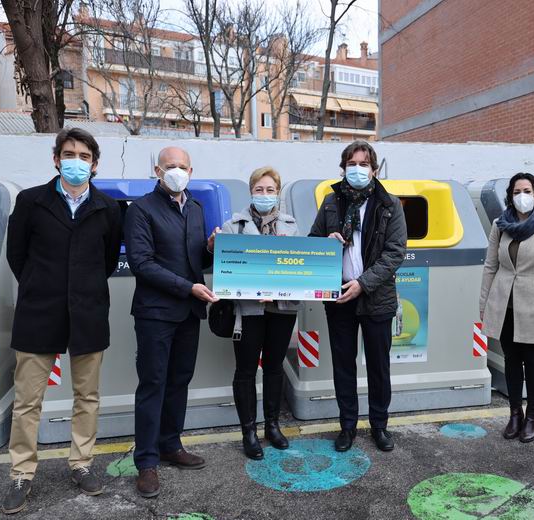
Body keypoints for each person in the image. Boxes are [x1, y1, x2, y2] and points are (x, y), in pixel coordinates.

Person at [2, 128, 122, 514]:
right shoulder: (31, 201)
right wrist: (41, 287)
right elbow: (16, 256)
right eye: (69, 154)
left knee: (87, 396)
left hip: (87, 313)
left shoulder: (107, 207)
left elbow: (105, 263)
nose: (76, 161)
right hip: (39, 313)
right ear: (56, 159)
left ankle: (81, 464)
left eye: (84, 156)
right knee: (28, 402)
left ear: (95, 163)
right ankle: (22, 472)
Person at [124, 146, 218, 498]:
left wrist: (210, 248)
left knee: (179, 381)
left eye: (182, 166)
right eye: (169, 166)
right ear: (157, 170)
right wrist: (188, 288)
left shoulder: (195, 208)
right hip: (156, 313)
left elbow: (197, 260)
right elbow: (142, 263)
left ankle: (170, 444)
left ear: (191, 171)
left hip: (189, 313)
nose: (176, 171)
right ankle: (146, 462)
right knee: (153, 385)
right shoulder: (141, 210)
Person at [309, 140, 407, 453]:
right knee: (343, 364)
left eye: (364, 164)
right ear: (343, 168)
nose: (357, 169)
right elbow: (312, 242)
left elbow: (395, 253)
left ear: (374, 170)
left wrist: (363, 284)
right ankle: (347, 426)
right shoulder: (330, 202)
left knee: (379, 365)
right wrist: (326, 240)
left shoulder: (390, 204)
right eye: (352, 164)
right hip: (338, 297)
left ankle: (379, 425)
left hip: (376, 297)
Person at [211, 167, 300, 460]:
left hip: (282, 309)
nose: (264, 195)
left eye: (270, 190)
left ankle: (272, 426)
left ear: (278, 192)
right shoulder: (233, 225)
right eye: (259, 189)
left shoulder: (291, 225)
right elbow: (222, 262)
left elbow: (300, 267)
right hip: (247, 311)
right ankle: (248, 431)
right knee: (246, 370)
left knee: (274, 367)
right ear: (251, 192)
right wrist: (214, 246)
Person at [479, 172, 534, 443]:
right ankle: (514, 413)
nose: (522, 196)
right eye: (517, 191)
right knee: (511, 359)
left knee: (533, 360)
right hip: (503, 301)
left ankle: (533, 416)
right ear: (510, 196)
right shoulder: (500, 224)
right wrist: (484, 305)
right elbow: (490, 265)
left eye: (527, 191)